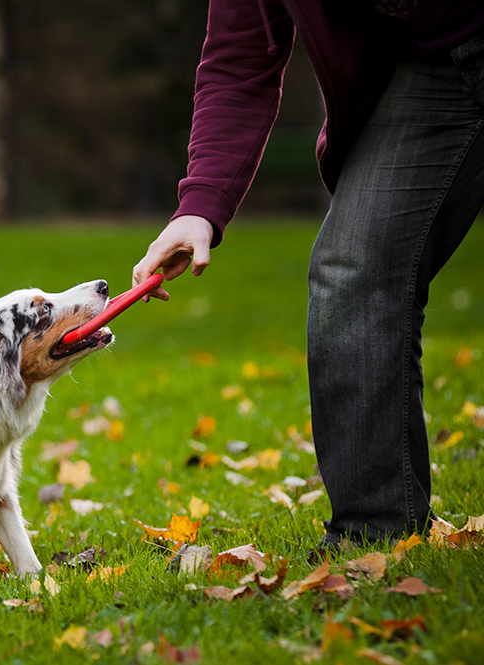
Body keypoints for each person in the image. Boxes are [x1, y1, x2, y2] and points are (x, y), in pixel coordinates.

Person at [132, 1, 484, 548]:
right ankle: (377, 534)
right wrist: (198, 207)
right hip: (433, 70)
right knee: (353, 269)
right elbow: (239, 61)